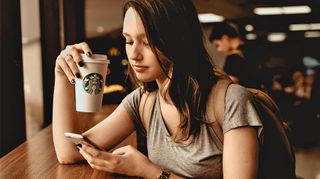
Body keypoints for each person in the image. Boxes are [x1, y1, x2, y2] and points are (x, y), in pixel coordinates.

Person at [53, 0, 263, 178]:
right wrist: (62, 75)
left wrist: (151, 172)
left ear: (178, 41)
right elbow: (69, 152)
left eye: (147, 42)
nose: (133, 54)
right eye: (128, 40)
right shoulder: (143, 100)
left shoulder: (231, 101)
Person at [209, 22, 254, 88]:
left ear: (225, 38)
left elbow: (230, 82)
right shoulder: (251, 49)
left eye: (217, 45)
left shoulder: (233, 58)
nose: (219, 50)